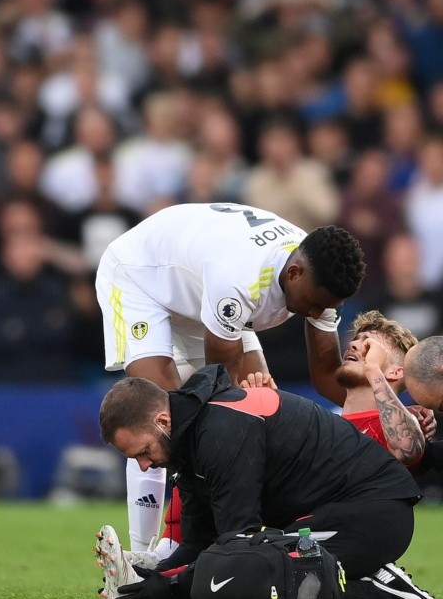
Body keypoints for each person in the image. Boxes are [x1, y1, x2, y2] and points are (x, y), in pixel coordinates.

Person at [95, 202, 365, 555]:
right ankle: (144, 557)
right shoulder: (238, 277)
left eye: (326, 308)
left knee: (266, 417)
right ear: (294, 274)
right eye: (315, 304)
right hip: (140, 277)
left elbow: (328, 378)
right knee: (167, 416)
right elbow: (217, 390)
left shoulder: (319, 278)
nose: (317, 314)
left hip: (204, 293)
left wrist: (379, 412)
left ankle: (198, 545)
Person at [96, 363, 436, 599]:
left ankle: (382, 588)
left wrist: (169, 587)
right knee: (233, 570)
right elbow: (200, 542)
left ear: (163, 421)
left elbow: (237, 543)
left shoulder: (221, 431)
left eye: (143, 452)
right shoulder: (188, 444)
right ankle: (358, 570)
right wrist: (144, 577)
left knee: (250, 575)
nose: (144, 465)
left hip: (373, 513)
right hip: (341, 513)